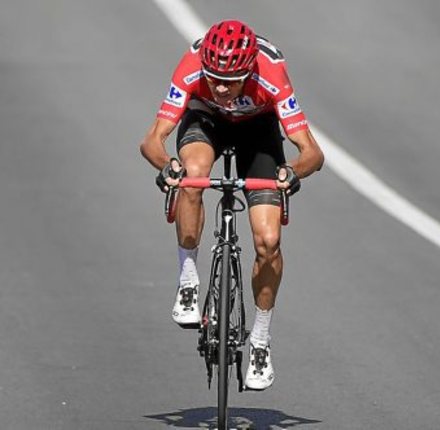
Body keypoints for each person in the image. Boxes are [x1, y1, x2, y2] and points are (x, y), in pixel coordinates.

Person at [140, 19, 324, 391]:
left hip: (258, 129)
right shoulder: (192, 64)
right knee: (192, 175)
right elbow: (152, 140)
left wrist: (292, 171)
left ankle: (260, 338)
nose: (222, 88)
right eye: (214, 79)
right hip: (205, 120)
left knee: (268, 241)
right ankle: (188, 280)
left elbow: (312, 153)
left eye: (232, 81)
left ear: (250, 72)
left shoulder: (271, 71)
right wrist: (167, 166)